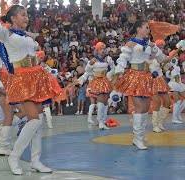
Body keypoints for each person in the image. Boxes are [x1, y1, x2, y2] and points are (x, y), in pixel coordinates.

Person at [0, 3, 61, 175]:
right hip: (22, 80)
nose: (26, 17)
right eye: (22, 14)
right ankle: (14, 157)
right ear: (13, 18)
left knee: (38, 121)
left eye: (26, 14)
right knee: (34, 120)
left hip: (36, 78)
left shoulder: (26, 37)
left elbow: (32, 54)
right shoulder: (7, 34)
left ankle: (35, 161)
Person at [113, 20, 185, 150]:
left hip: (146, 77)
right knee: (140, 107)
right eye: (146, 28)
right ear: (138, 29)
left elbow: (161, 58)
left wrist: (167, 58)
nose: (148, 30)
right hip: (134, 76)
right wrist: (119, 71)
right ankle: (137, 138)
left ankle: (139, 135)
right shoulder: (131, 43)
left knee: (145, 107)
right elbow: (123, 59)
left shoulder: (150, 45)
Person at [78, 42, 114, 130]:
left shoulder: (108, 59)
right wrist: (90, 64)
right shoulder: (94, 59)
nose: (102, 51)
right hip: (97, 81)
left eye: (103, 49)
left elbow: (113, 67)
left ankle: (104, 121)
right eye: (100, 49)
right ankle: (100, 121)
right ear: (97, 50)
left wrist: (110, 74)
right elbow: (87, 70)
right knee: (100, 101)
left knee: (105, 101)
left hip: (105, 80)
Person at [149, 40, 171, 132]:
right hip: (151, 81)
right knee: (157, 102)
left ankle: (159, 122)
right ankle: (154, 125)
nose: (161, 48)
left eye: (162, 47)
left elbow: (166, 68)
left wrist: (167, 61)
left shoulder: (162, 56)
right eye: (159, 46)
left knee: (168, 102)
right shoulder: (148, 56)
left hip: (161, 79)